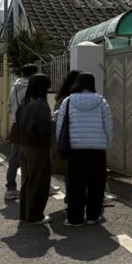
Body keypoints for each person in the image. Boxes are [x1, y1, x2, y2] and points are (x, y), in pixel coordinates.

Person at [55, 73, 113, 227]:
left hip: (75, 149)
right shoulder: (102, 101)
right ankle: (93, 217)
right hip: (97, 150)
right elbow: (108, 126)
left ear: (77, 84)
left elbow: (60, 126)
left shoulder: (67, 102)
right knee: (96, 183)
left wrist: (60, 144)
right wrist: (106, 143)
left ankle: (75, 219)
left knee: (75, 184)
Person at [16, 73, 53, 225]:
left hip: (24, 145)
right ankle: (35, 215)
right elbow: (45, 128)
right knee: (39, 181)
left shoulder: (24, 103)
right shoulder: (40, 104)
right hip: (38, 147)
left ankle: (25, 214)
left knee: (27, 181)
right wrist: (53, 122)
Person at [4, 63, 38, 201]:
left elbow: (8, 107)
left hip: (16, 127)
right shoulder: (32, 88)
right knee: (35, 157)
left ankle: (11, 188)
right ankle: (38, 186)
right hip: (31, 127)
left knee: (14, 159)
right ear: (33, 74)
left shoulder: (14, 88)